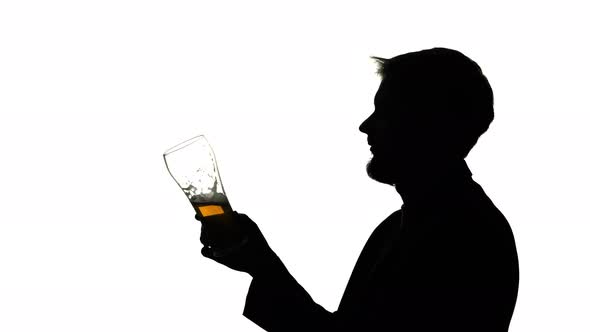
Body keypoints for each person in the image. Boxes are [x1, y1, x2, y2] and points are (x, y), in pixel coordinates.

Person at [197, 47, 519, 332]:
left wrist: (263, 266)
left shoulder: (469, 237)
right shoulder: (400, 229)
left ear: (425, 122)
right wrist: (260, 264)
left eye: (385, 111)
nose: (366, 126)